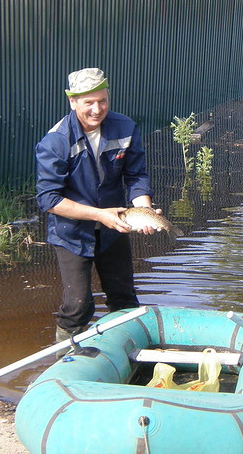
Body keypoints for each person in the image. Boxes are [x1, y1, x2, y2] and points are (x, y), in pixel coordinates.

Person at [35, 68, 157, 343]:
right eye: (88, 102)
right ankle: (66, 360)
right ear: (72, 101)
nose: (96, 109)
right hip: (72, 233)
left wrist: (145, 209)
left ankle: (127, 355)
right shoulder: (56, 141)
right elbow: (48, 199)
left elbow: (136, 175)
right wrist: (99, 215)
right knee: (77, 306)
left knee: (124, 299)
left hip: (115, 229)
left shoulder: (125, 128)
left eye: (102, 100)